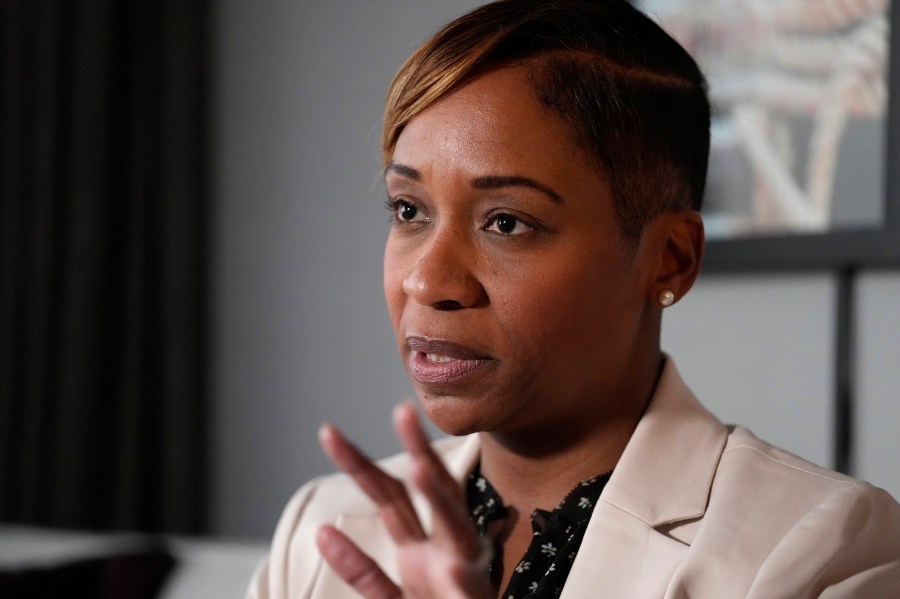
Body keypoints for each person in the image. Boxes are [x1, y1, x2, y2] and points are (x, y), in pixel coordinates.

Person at [247, 1, 900, 597]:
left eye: (506, 221)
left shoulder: (828, 549)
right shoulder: (321, 534)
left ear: (670, 258)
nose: (426, 281)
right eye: (408, 209)